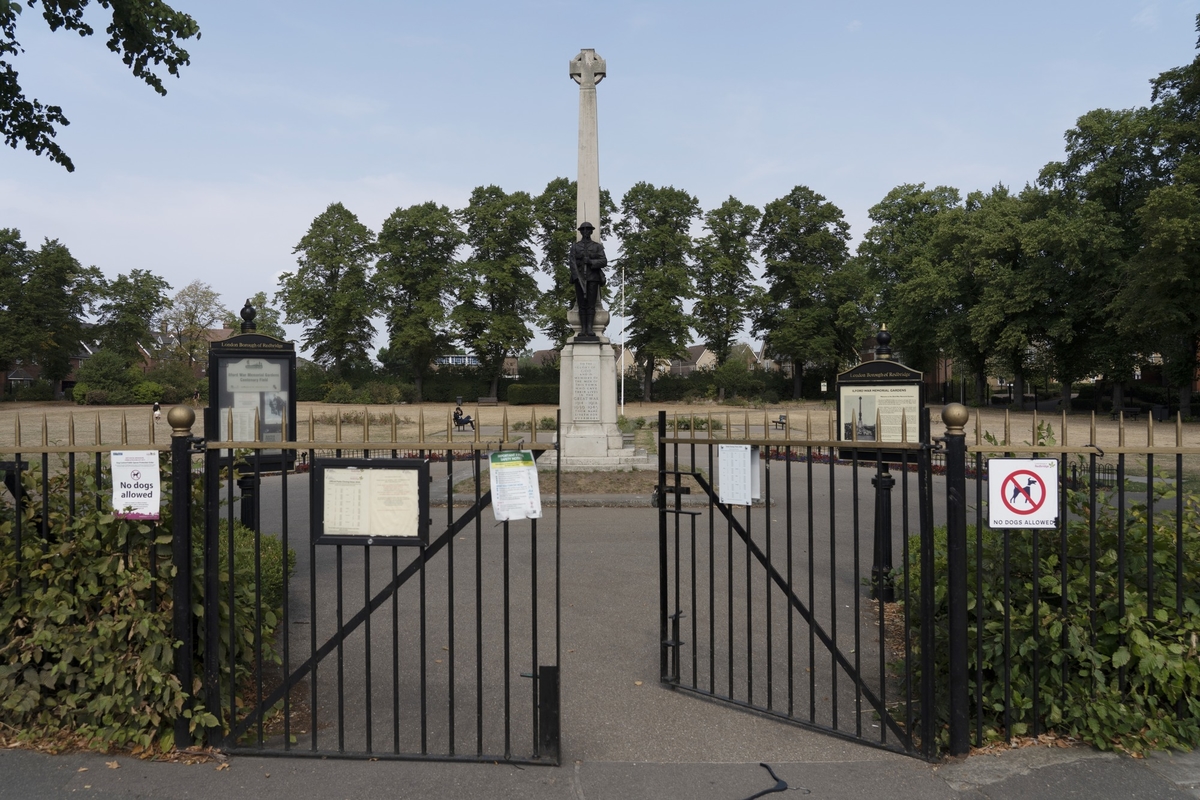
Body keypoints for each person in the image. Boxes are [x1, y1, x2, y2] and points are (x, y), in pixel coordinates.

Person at [568, 221, 607, 337]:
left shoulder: (597, 246)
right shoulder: (575, 247)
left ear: (591, 231)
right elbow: (572, 262)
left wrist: (590, 262)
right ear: (580, 232)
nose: (585, 232)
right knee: (581, 304)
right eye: (583, 230)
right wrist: (577, 277)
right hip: (579, 278)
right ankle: (583, 329)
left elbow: (604, 261)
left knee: (591, 304)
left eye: (587, 229)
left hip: (593, 278)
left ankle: (589, 328)